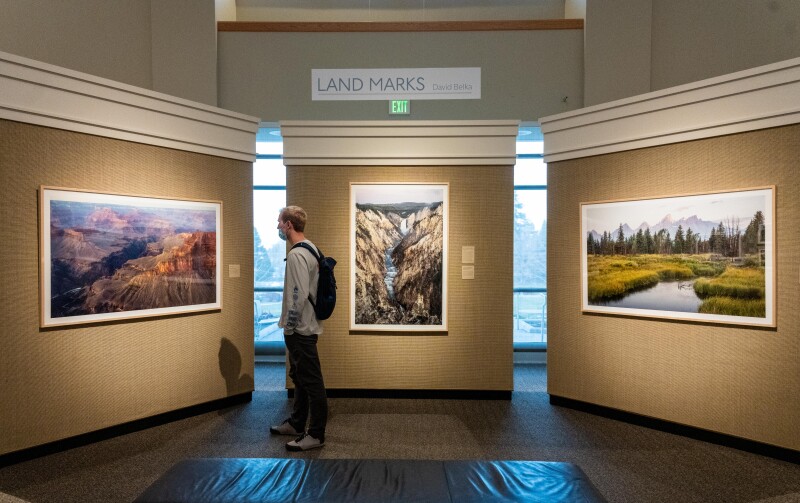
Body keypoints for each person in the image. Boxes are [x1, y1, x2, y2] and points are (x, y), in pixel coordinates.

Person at [269, 206, 328, 451]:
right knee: (301, 378)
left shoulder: (296, 255)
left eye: (280, 222)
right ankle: (296, 422)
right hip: (310, 325)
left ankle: (315, 434)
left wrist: (290, 327)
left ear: (289, 224)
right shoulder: (312, 248)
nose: (278, 227)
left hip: (300, 330)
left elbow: (298, 295)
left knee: (312, 381)